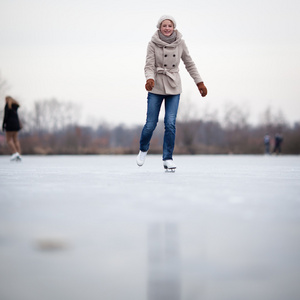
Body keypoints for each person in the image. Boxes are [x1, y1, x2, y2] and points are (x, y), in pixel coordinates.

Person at [136, 15, 207, 170]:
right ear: (159, 27)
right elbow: (148, 65)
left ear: (173, 27)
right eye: (164, 26)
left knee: (170, 123)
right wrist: (150, 79)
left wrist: (199, 82)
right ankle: (143, 148)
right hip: (156, 86)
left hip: (174, 86)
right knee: (150, 124)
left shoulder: (180, 43)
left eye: (170, 26)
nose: (167, 28)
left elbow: (189, 63)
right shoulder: (152, 44)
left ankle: (167, 158)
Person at [2, 96, 22, 161]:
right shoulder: (15, 106)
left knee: (8, 140)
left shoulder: (8, 106)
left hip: (9, 125)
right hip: (16, 125)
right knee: (15, 140)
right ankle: (18, 153)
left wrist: (3, 125)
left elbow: (6, 116)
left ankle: (15, 152)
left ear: (7, 99)